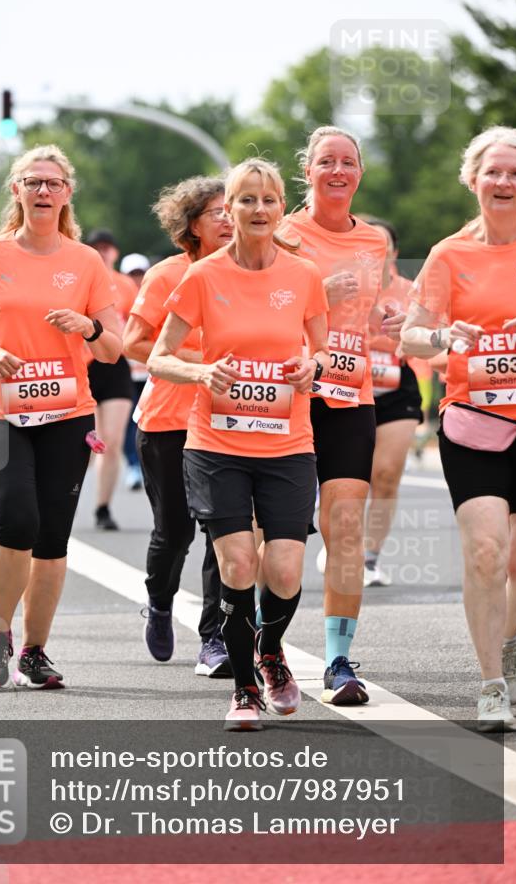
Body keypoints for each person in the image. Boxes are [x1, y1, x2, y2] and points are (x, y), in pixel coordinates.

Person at [149, 159, 329, 730]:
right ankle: (245, 689)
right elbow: (158, 356)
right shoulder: (201, 277)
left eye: (268, 199)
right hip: (215, 443)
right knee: (237, 560)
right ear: (228, 209)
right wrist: (201, 373)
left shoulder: (304, 276)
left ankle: (270, 650)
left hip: (287, 442)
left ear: (281, 208)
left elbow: (322, 353)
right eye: (245, 200)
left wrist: (313, 367)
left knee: (284, 570)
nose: (257, 210)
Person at [0, 145, 122, 691]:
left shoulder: (86, 262)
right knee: (16, 521)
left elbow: (115, 347)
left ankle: (35, 651)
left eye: (53, 183)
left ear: (67, 194)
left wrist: (88, 327)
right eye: (32, 182)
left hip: (67, 412)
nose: (43, 191)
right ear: (16, 192)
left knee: (51, 538)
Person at [402, 125, 516, 732]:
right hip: (475, 421)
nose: (503, 181)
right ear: (472, 180)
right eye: (493, 171)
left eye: (515, 172)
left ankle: (509, 642)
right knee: (485, 552)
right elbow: (410, 335)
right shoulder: (450, 254)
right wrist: (447, 337)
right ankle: (491, 684)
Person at [279, 126, 403, 705]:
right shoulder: (282, 232)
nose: (337, 171)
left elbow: (369, 313)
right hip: (286, 393)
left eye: (347, 162)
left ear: (359, 173)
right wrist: (319, 291)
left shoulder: (374, 240)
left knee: (345, 528)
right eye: (326, 161)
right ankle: (267, 647)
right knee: (278, 538)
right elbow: (262, 308)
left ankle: (337, 661)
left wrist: (391, 320)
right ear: (308, 171)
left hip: (351, 394)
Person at [123, 176, 233, 675]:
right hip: (168, 420)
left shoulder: (251, 273)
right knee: (175, 531)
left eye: (235, 209)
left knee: (224, 533)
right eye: (218, 212)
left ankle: (215, 639)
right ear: (191, 225)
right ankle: (161, 603)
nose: (230, 219)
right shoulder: (167, 275)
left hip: (230, 422)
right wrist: (197, 362)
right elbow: (133, 343)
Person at [361, 217, 424, 587]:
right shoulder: (348, 288)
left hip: (397, 387)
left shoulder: (410, 291)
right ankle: (341, 542)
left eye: (383, 245)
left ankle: (370, 558)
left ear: (394, 252)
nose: (377, 252)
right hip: (349, 387)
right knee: (351, 479)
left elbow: (418, 339)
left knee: (385, 475)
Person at [85, 229, 139, 528]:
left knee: (112, 441)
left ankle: (103, 508)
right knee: (84, 442)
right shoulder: (78, 279)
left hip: (116, 363)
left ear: (115, 253)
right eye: (97, 247)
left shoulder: (125, 285)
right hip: (84, 365)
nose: (102, 252)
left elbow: (134, 323)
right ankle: (63, 497)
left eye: (107, 247)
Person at [120, 252, 151, 490]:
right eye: (132, 274)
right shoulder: (118, 296)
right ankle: (133, 465)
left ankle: (145, 464)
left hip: (150, 371)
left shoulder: (154, 294)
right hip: (126, 372)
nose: (136, 279)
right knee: (129, 422)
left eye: (140, 273)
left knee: (146, 421)